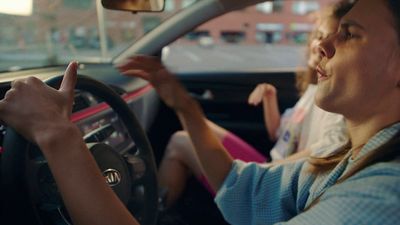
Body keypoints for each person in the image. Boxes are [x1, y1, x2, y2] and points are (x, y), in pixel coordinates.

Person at [0, 0, 399, 224]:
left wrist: (58, 135)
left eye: (349, 34)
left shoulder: (380, 200)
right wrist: (182, 103)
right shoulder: (349, 153)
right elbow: (245, 188)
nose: (323, 45)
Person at [156, 1, 351, 207]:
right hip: (273, 168)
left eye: (335, 39)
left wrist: (262, 172)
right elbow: (278, 133)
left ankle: (154, 214)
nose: (320, 44)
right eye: (319, 36)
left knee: (180, 142)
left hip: (277, 180)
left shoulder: (336, 105)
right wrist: (269, 98)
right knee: (197, 130)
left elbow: (322, 151)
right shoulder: (314, 91)